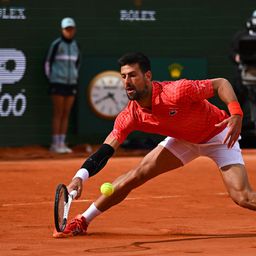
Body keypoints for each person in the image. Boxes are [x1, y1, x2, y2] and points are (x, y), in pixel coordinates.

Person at [53, 52, 256, 238]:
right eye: (123, 76)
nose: (127, 82)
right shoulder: (130, 114)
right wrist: (79, 177)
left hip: (219, 136)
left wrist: (236, 113)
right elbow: (106, 150)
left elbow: (221, 83)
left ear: (148, 76)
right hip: (183, 140)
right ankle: (83, 220)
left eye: (132, 75)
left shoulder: (176, 91)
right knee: (136, 175)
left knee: (243, 197)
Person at [45, 17, 81, 153]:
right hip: (57, 82)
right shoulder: (56, 44)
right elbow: (47, 62)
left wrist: (74, 78)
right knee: (58, 113)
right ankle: (55, 144)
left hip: (71, 83)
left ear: (74, 30)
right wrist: (52, 79)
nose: (69, 32)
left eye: (71, 29)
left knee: (66, 113)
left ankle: (61, 143)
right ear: (62, 30)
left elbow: (77, 64)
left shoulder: (76, 46)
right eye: (67, 29)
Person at [230, 10, 256, 130]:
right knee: (238, 100)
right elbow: (232, 53)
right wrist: (237, 57)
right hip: (243, 75)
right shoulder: (241, 36)